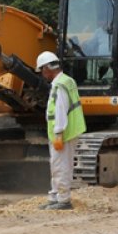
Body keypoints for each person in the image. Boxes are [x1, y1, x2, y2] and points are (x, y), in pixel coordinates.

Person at [36, 50, 86, 210]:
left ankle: (63, 200)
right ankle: (55, 197)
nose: (42, 74)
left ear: (47, 69)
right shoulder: (67, 81)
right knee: (58, 165)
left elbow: (60, 110)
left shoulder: (59, 86)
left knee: (60, 166)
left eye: (42, 70)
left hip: (63, 133)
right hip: (68, 132)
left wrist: (58, 133)